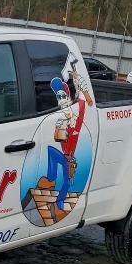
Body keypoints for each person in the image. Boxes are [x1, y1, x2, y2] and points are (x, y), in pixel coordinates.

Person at [36, 71, 88, 222]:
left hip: (68, 156)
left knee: (66, 181)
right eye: (58, 97)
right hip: (61, 153)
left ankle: (59, 202)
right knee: (51, 153)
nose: (60, 101)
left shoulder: (75, 118)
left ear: (69, 97)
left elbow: (83, 103)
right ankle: (51, 179)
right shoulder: (60, 115)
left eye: (63, 97)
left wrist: (78, 80)